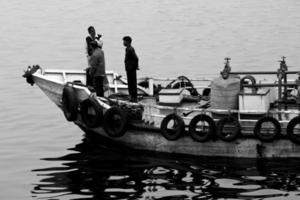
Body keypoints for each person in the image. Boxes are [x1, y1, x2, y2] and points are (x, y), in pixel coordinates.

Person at [123, 36, 139, 102]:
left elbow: (136, 58)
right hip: (128, 69)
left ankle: (134, 97)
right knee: (130, 83)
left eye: (124, 41)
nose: (123, 42)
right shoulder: (127, 49)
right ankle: (131, 96)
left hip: (131, 69)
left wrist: (135, 66)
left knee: (133, 83)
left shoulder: (130, 49)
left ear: (128, 42)